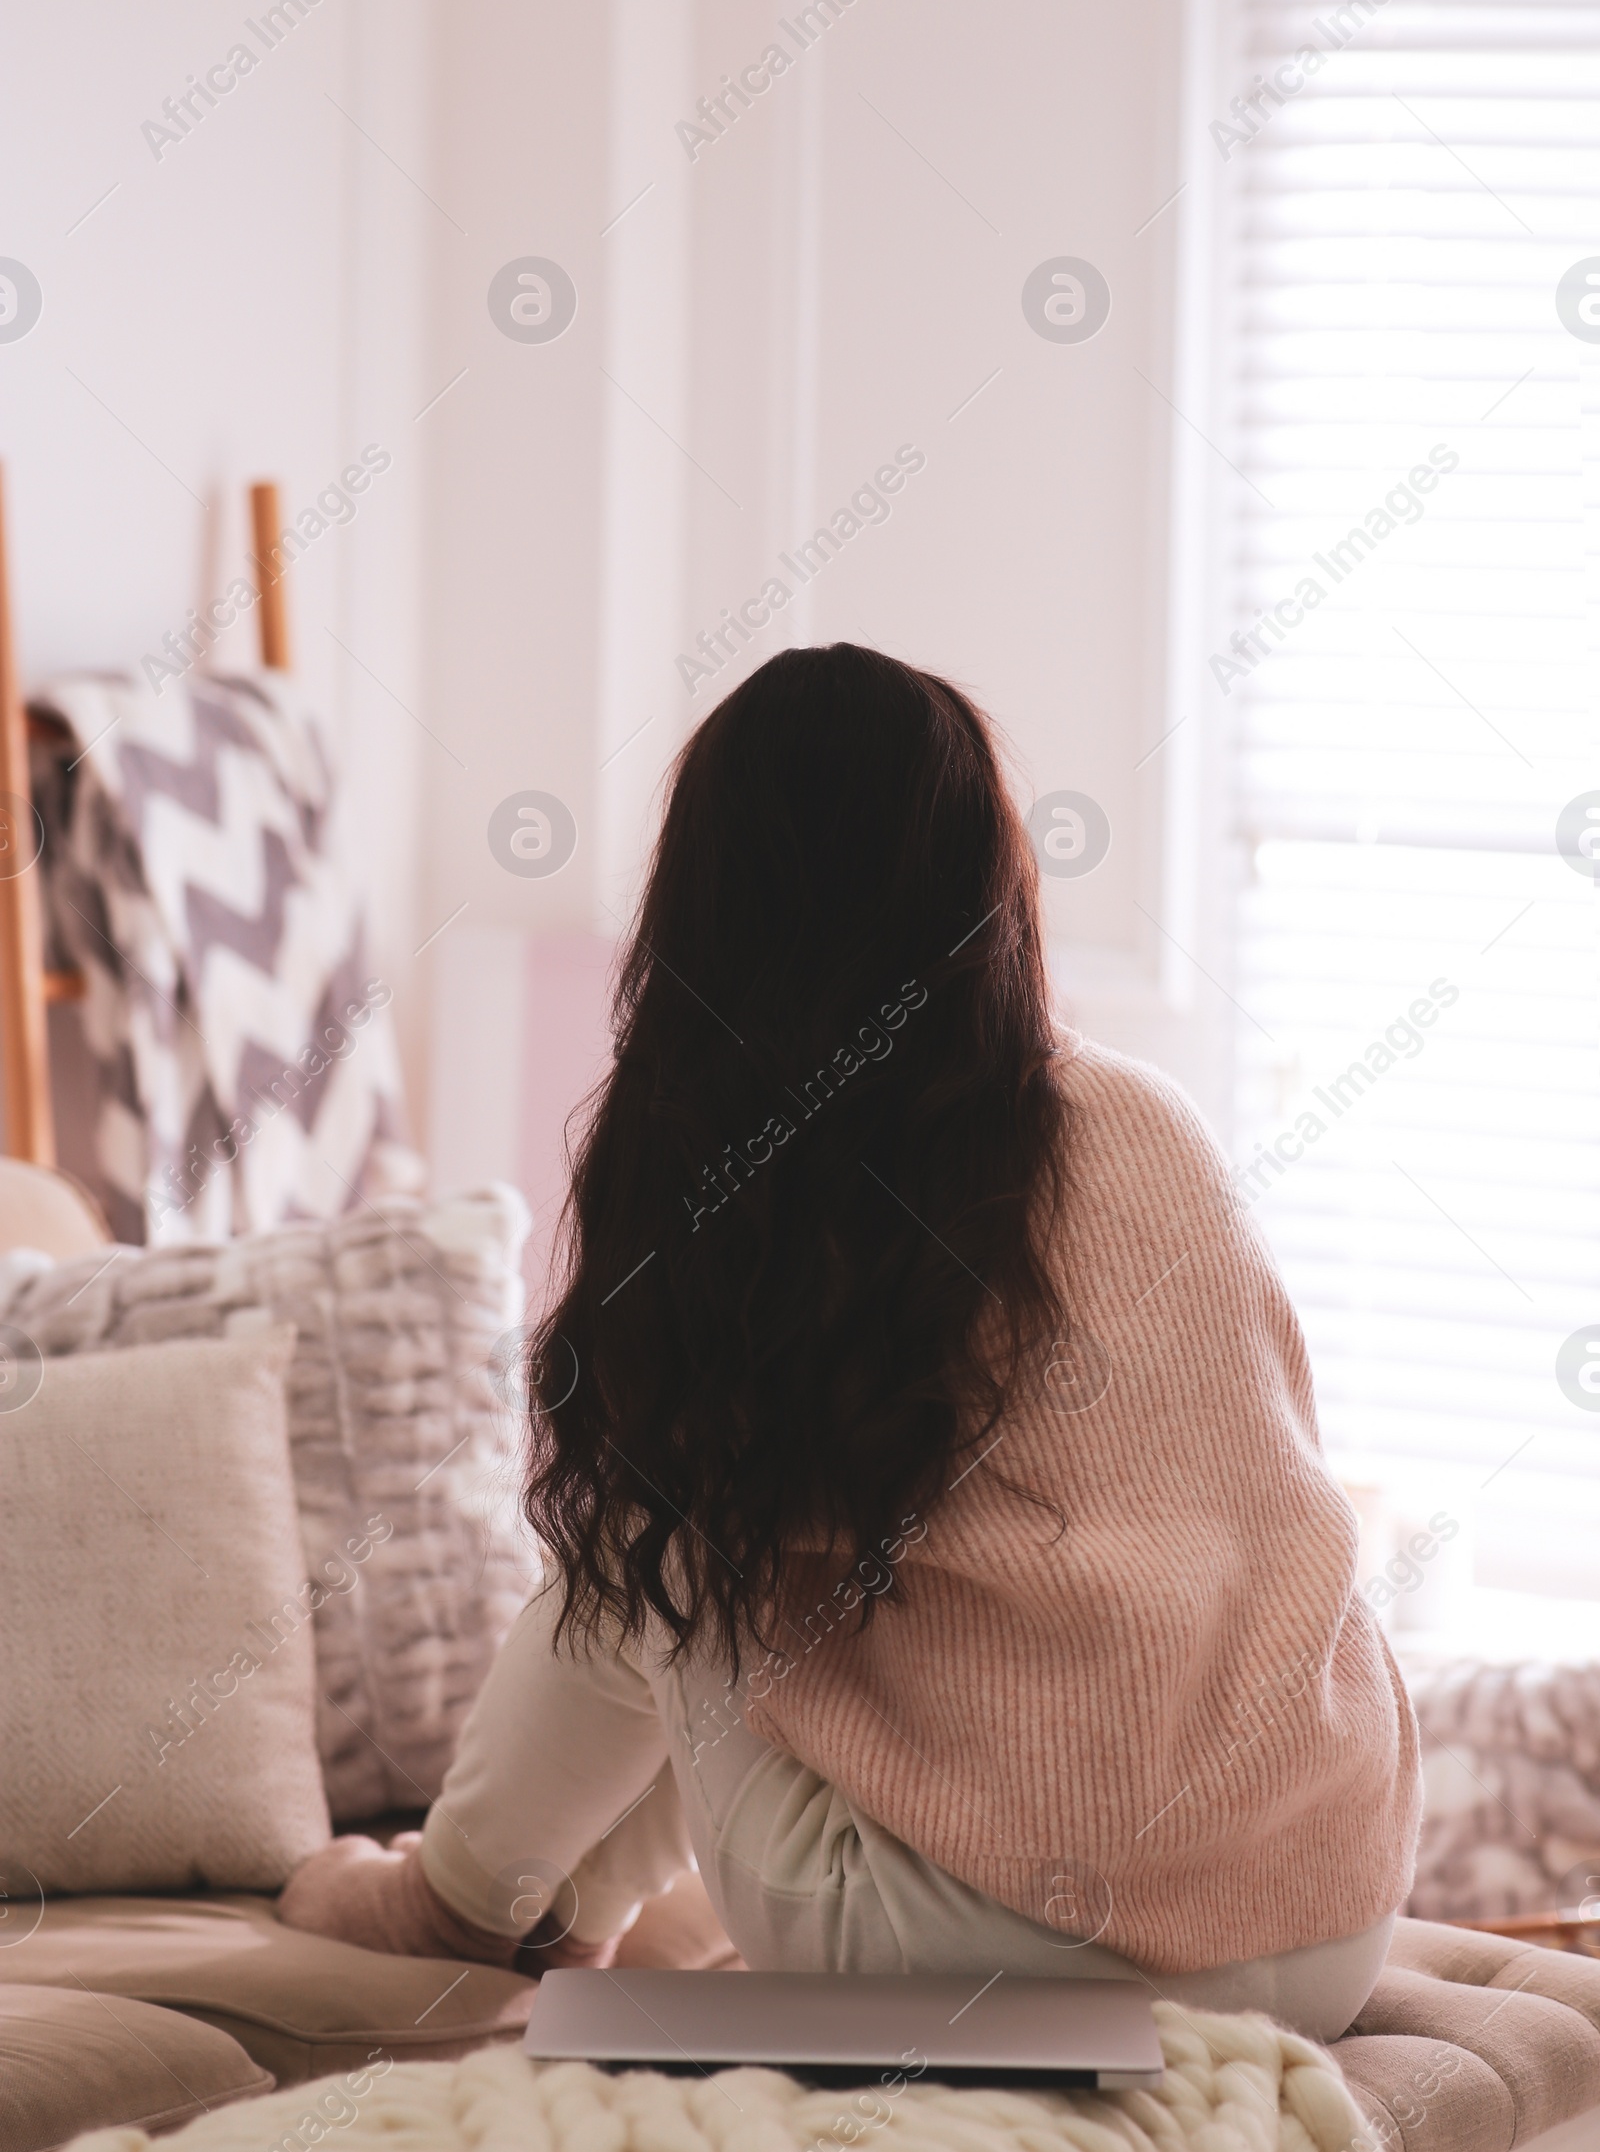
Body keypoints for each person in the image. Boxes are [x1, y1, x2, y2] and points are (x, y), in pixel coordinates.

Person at [280, 643, 1419, 2039]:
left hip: (1019, 1977)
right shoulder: (1150, 1126)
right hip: (1331, 1917)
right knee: (707, 1539)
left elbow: (654, 1583)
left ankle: (460, 1906)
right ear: (987, 883)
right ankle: (557, 1912)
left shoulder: (751, 1197)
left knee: (662, 1531)